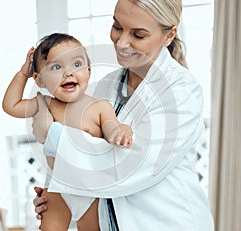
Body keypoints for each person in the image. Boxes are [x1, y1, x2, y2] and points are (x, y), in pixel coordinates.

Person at [32, 0, 215, 230]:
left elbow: (130, 167)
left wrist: (52, 134)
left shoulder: (181, 90)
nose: (121, 42)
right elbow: (84, 155)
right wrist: (59, 197)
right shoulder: (104, 87)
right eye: (117, 27)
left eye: (138, 35)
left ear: (168, 36)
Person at [2, 33, 133, 231]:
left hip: (89, 192)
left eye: (76, 64)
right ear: (40, 80)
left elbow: (112, 130)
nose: (68, 73)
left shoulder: (99, 107)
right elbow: (10, 106)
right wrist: (23, 73)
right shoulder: (44, 104)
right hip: (56, 188)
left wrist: (123, 129)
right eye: (56, 67)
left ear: (89, 71)